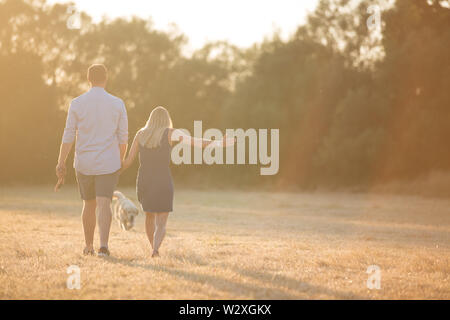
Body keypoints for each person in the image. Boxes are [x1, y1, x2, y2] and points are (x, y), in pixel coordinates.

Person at [121, 106, 233, 257]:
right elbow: (195, 142)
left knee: (149, 216)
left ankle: (153, 249)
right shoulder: (170, 133)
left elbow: (127, 162)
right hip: (162, 179)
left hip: (144, 180)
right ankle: (155, 249)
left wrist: (111, 169)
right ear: (167, 120)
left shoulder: (141, 134)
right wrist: (219, 143)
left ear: (150, 119)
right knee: (161, 221)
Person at [55, 64, 128, 257]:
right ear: (106, 78)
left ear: (88, 79)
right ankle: (103, 246)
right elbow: (123, 138)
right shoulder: (117, 103)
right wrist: (119, 161)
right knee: (104, 203)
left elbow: (68, 135)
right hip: (108, 163)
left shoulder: (77, 103)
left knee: (88, 204)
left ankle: (88, 246)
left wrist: (61, 161)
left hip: (84, 163)